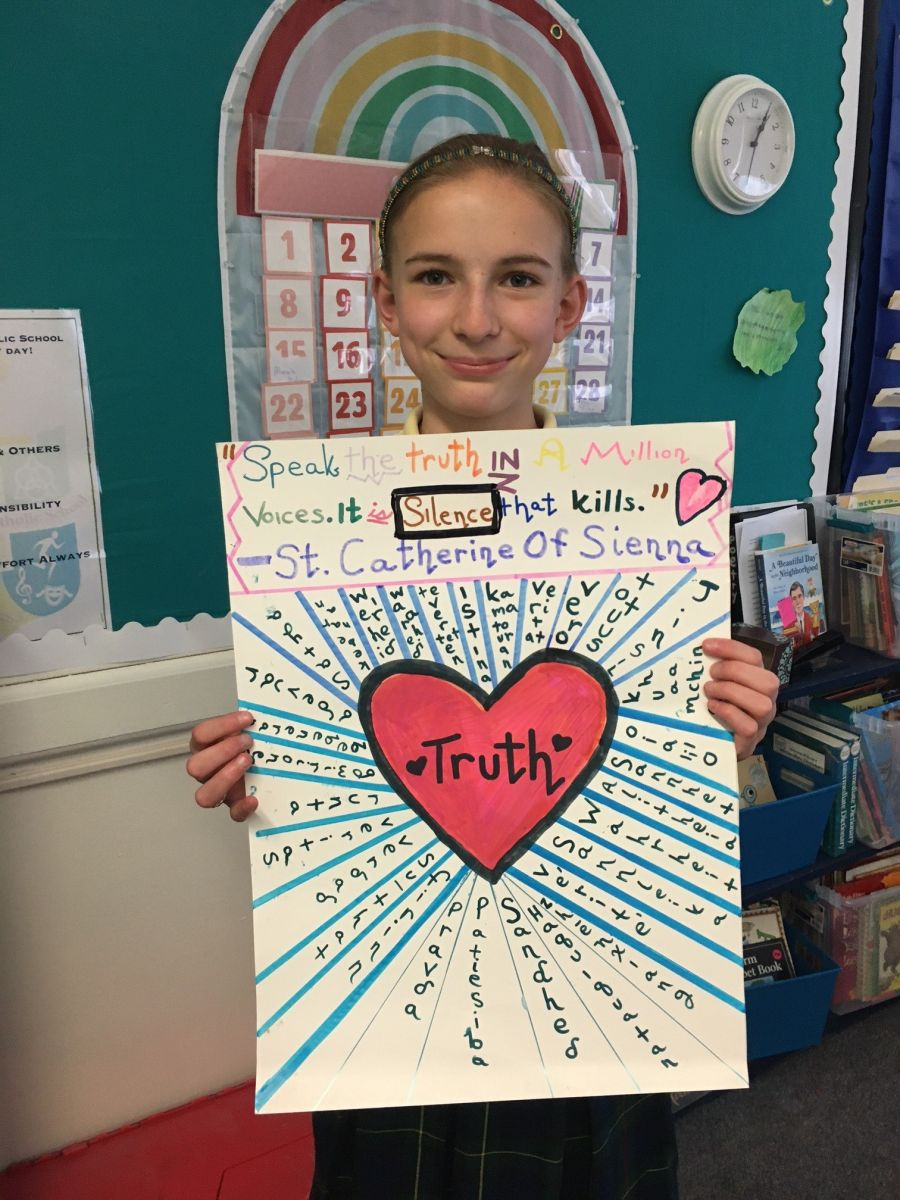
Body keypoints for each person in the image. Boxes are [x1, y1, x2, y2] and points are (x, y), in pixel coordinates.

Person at [188, 133, 780, 1199]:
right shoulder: (310, 538)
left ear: (567, 305)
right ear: (384, 300)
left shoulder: (649, 535)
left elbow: (649, 798)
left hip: (589, 1017)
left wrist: (721, 729)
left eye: (515, 278)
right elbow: (335, 791)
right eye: (434, 278)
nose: (473, 319)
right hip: (387, 1021)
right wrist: (267, 776)